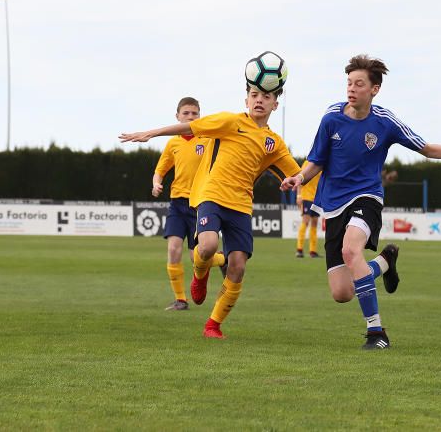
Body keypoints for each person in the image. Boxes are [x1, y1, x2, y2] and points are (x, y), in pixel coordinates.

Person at [280, 55, 441, 350]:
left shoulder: (384, 122)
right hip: (333, 204)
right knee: (342, 292)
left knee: (350, 250)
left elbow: (423, 146)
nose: (351, 88)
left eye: (359, 84)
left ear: (375, 89)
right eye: (349, 83)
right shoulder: (331, 118)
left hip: (366, 198)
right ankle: (384, 262)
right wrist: (300, 177)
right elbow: (316, 159)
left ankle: (376, 333)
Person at [121, 84, 301, 339]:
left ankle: (213, 325)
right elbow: (190, 128)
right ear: (246, 100)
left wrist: (299, 185)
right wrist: (151, 133)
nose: (259, 100)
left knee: (237, 267)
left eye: (266, 96)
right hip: (210, 195)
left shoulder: (274, 143)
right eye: (254, 95)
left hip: (240, 206)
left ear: (275, 104)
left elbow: (299, 173)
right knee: (206, 246)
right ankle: (200, 273)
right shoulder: (229, 121)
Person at [151, 97, 226, 311]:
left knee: (198, 256)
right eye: (186, 113)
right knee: (173, 249)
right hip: (177, 203)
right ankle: (181, 300)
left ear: (199, 116)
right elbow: (160, 170)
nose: (190, 117)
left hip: (200, 204)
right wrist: (156, 184)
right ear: (177, 116)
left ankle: (222, 260)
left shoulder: (208, 139)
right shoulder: (172, 143)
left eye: (194, 114)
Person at [295, 172, 321, 258]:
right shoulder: (308, 163)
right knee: (305, 222)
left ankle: (312, 251)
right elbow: (299, 179)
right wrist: (299, 196)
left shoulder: (322, 166)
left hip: (316, 199)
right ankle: (299, 249)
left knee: (314, 223)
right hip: (306, 197)